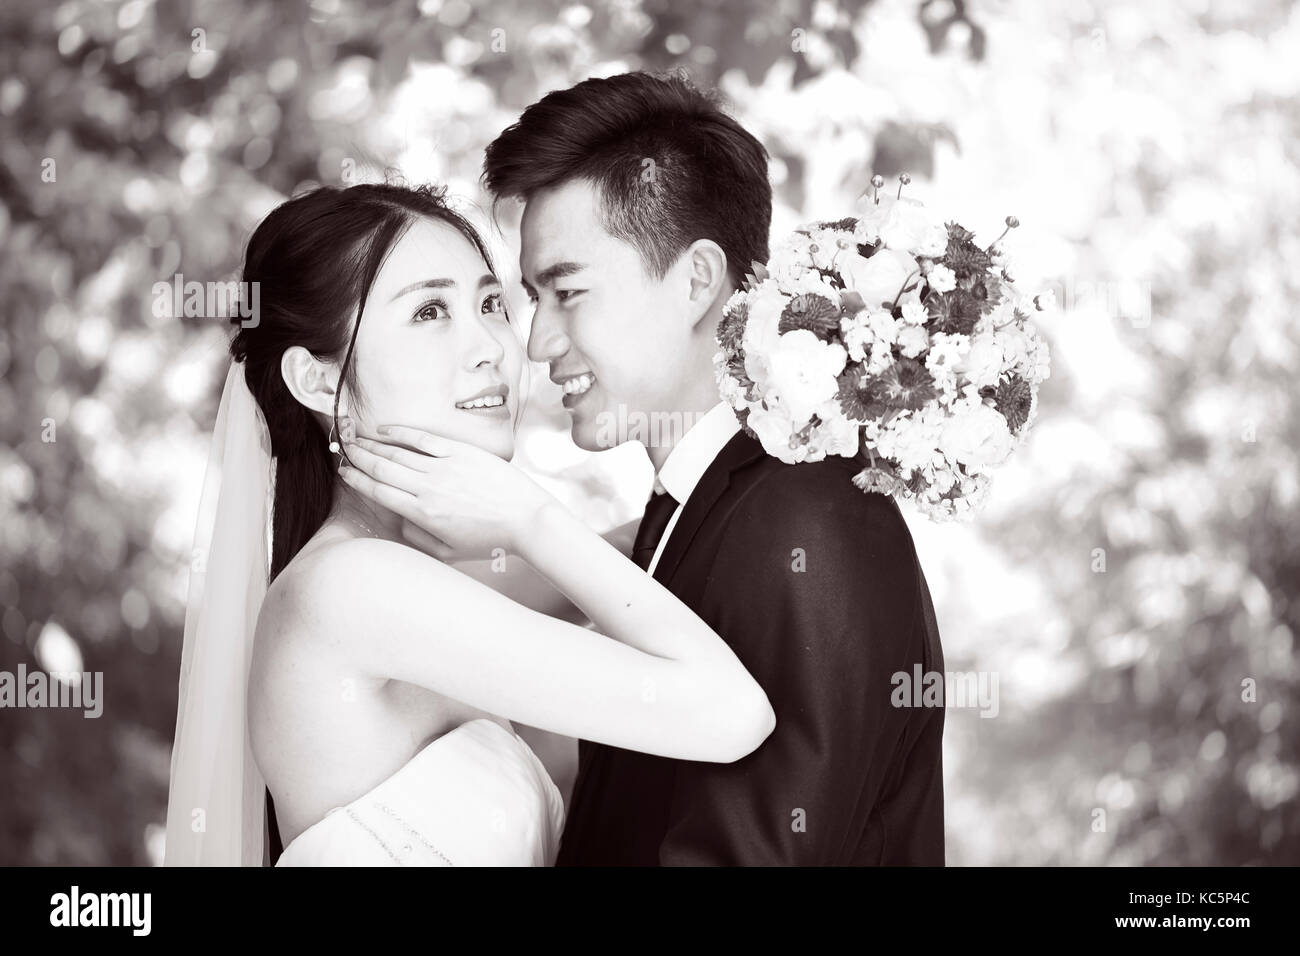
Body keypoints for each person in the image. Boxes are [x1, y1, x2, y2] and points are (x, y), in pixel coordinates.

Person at [163, 182, 774, 867]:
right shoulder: (349, 587)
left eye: (489, 303)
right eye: (429, 311)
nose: (491, 345)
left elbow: (657, 545)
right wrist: (528, 517)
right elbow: (732, 714)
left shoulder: (427, 581)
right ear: (313, 380)